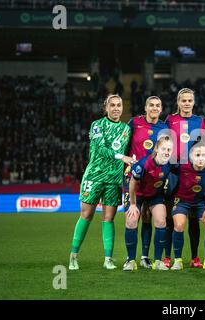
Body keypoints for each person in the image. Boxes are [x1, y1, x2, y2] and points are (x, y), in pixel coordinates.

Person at [69, 94, 134, 270]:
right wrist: (122, 157)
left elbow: (131, 150)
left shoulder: (126, 129)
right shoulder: (97, 125)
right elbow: (100, 148)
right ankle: (73, 256)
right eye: (112, 105)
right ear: (105, 108)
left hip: (113, 180)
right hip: (94, 176)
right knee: (87, 215)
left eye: (119, 105)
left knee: (109, 218)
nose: (116, 108)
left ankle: (108, 259)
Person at [124, 96, 168, 270]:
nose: (155, 108)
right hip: (134, 181)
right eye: (151, 105)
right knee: (132, 219)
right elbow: (122, 145)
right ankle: (130, 260)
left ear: (161, 108)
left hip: (154, 182)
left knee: (150, 218)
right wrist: (124, 160)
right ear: (146, 107)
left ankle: (145, 257)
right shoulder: (134, 123)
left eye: (158, 105)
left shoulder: (165, 128)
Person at [166, 88, 205, 268]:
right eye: (184, 101)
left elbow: (203, 145)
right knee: (170, 216)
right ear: (178, 102)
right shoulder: (171, 120)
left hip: (193, 173)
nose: (187, 103)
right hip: (173, 173)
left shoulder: (199, 121)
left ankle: (195, 256)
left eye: (190, 100)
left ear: (193, 102)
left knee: (194, 217)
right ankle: (168, 256)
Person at [125, 135, 174, 271]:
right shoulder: (144, 164)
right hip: (137, 194)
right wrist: (133, 204)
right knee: (132, 220)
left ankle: (158, 261)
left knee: (161, 221)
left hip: (154, 195)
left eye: (169, 149)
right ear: (156, 148)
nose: (166, 152)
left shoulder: (170, 163)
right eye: (164, 149)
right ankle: (130, 260)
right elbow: (133, 183)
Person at [170, 140, 205, 270]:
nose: (200, 158)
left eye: (203, 155)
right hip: (182, 200)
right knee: (179, 224)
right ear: (191, 156)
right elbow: (164, 165)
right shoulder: (181, 166)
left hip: (200, 202)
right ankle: (178, 260)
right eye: (197, 155)